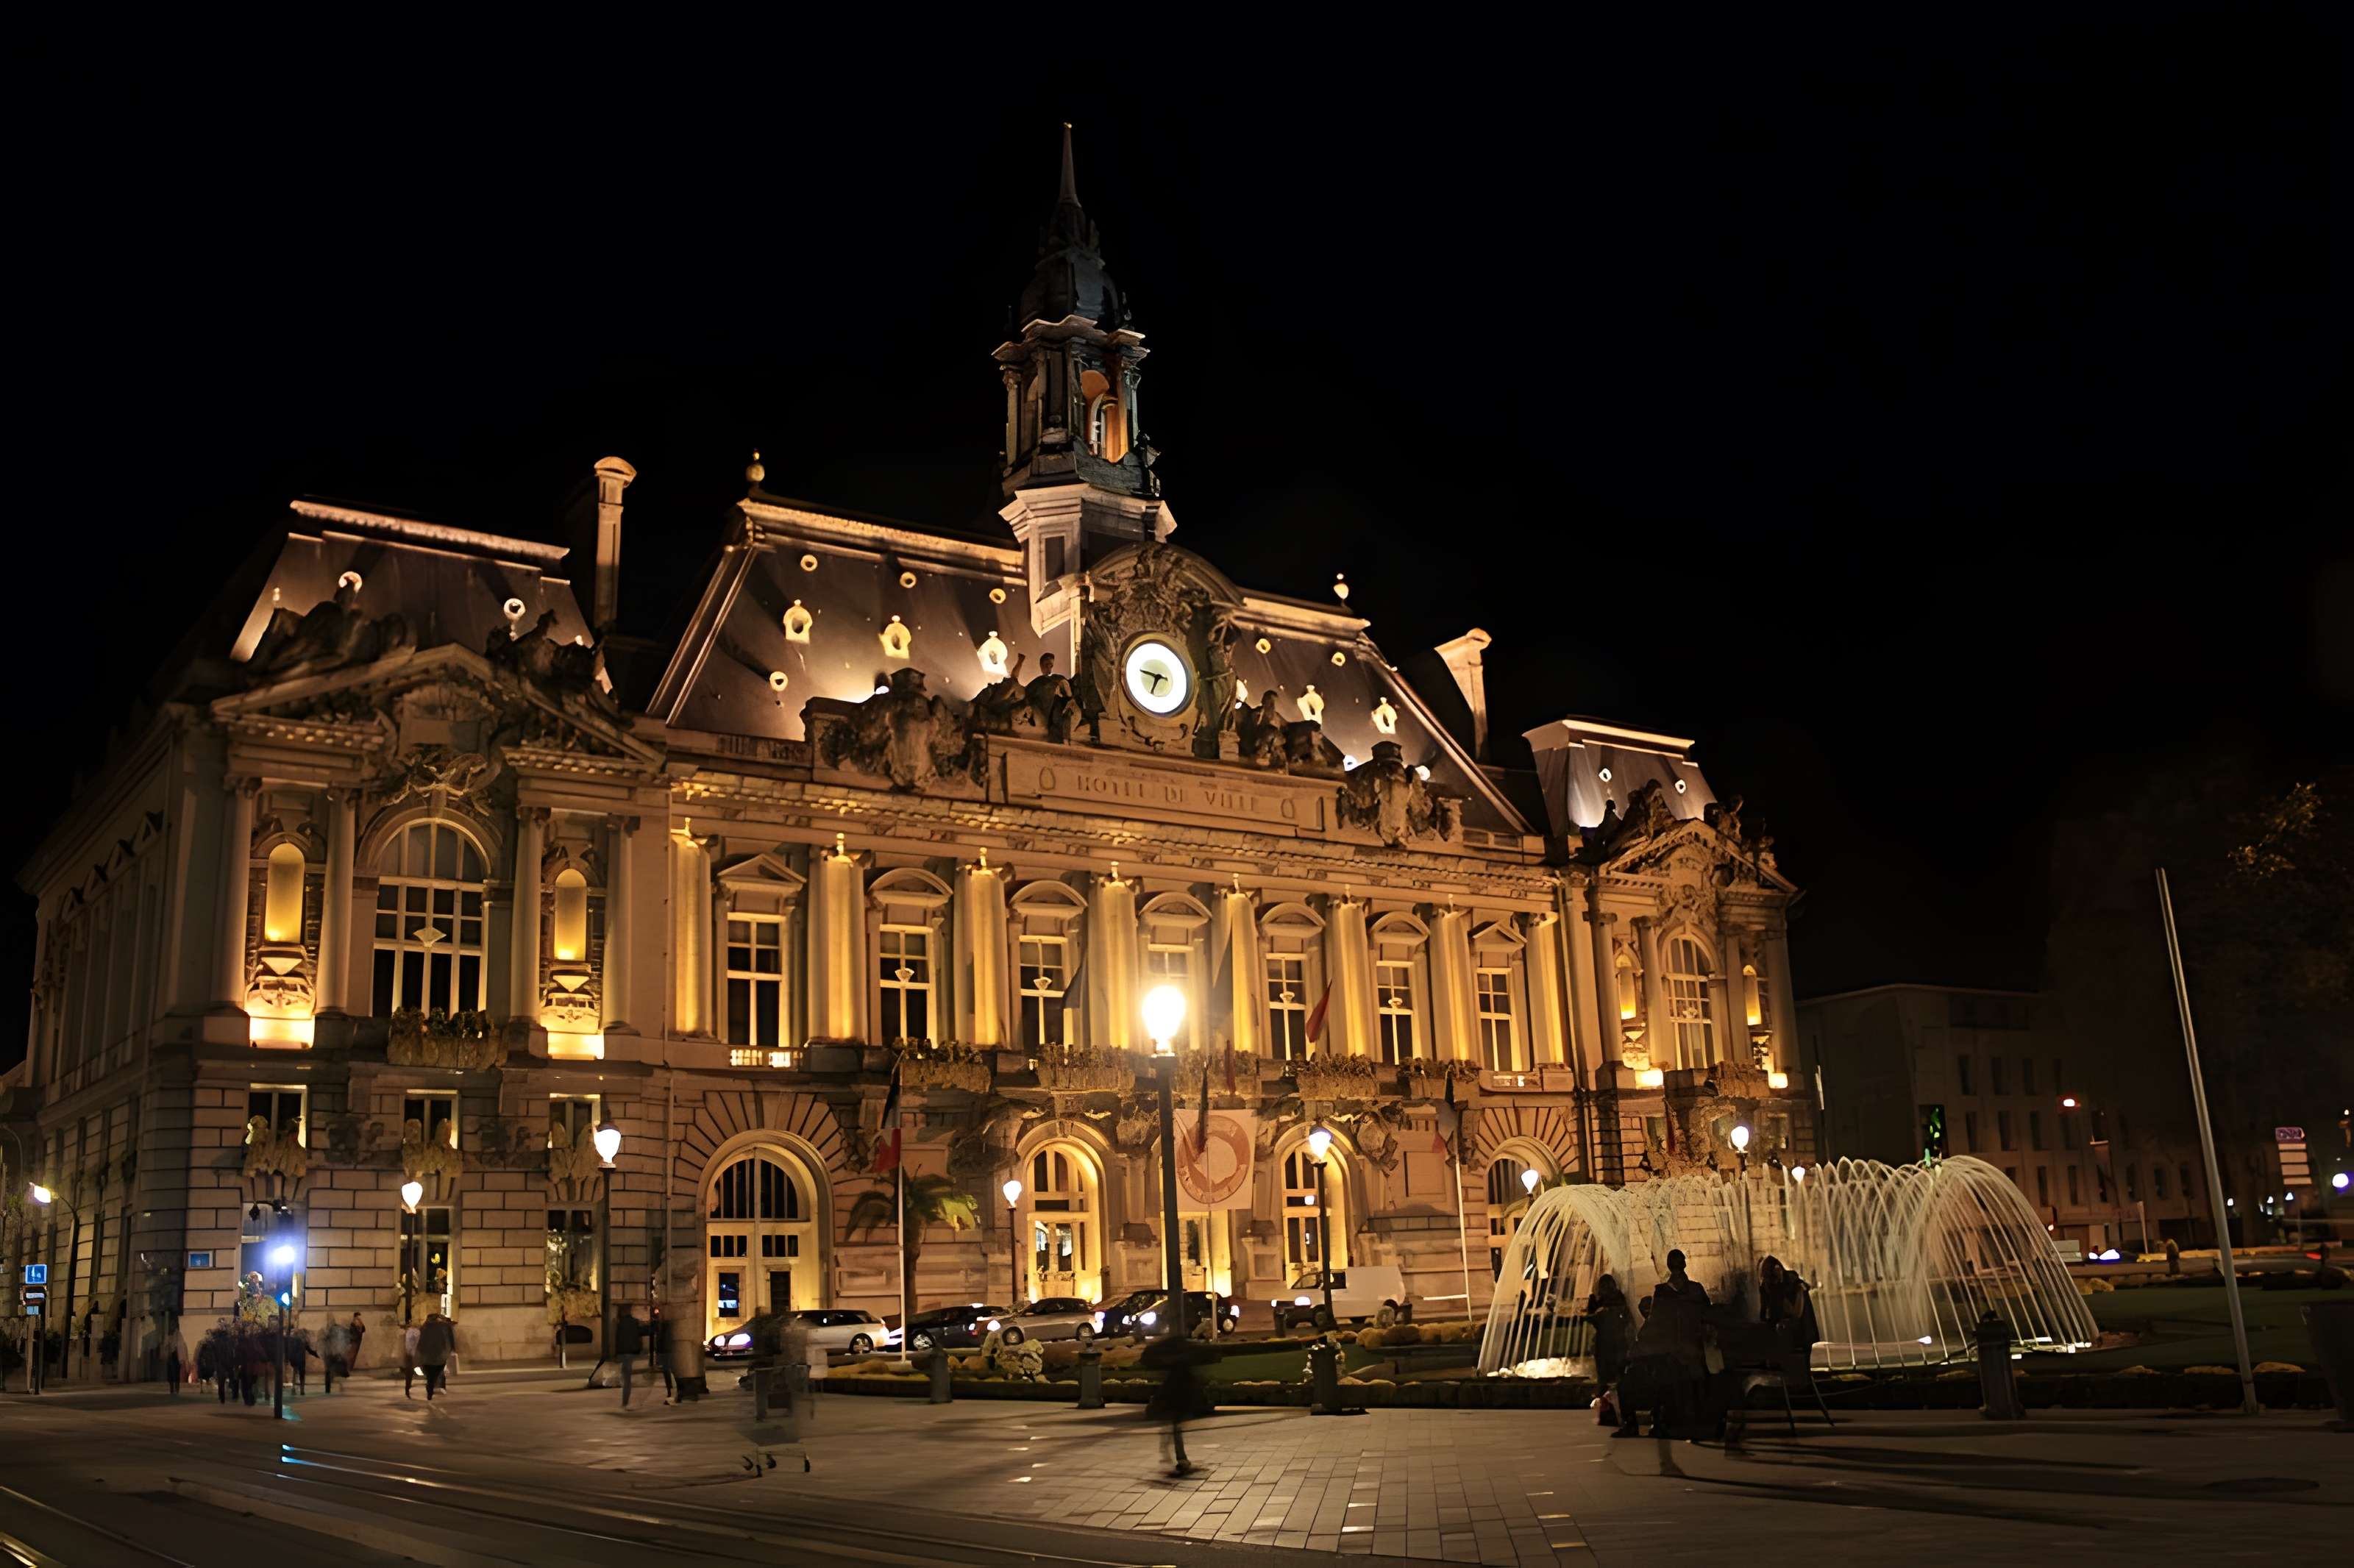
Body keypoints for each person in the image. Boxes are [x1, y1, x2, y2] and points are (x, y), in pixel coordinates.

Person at [1586, 1275, 1634, 1430]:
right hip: (1617, 1345)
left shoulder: (1605, 1308)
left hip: (1607, 1347)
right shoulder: (1619, 1302)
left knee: (1607, 1380)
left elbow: (1594, 1320)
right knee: (1616, 1380)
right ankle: (1617, 1415)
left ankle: (1614, 1416)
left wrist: (1592, 1309)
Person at [415, 1312, 453, 1401]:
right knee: (435, 1374)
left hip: (427, 1358)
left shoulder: (424, 1328)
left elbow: (420, 1344)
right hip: (439, 1358)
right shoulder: (442, 1327)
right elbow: (445, 1342)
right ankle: (431, 1388)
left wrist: (420, 1353)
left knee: (430, 1376)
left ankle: (430, 1389)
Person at [616, 1308, 644, 1408]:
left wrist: (617, 1353)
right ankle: (625, 1401)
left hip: (623, 1352)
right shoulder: (635, 1322)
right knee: (626, 1376)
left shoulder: (620, 1324)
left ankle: (625, 1401)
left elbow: (617, 1339)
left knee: (626, 1377)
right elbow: (639, 1336)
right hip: (631, 1352)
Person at [321, 1316, 348, 1394]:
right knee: (328, 1371)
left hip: (331, 1354)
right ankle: (328, 1388)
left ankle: (328, 1388)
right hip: (330, 1354)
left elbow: (339, 1342)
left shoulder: (333, 1330)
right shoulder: (329, 1331)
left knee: (329, 1371)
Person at [402, 1319, 423, 1398]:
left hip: (410, 1354)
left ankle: (408, 1388)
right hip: (414, 1355)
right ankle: (408, 1388)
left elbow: (408, 1344)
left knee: (409, 1373)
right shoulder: (416, 1332)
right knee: (411, 1371)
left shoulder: (409, 1332)